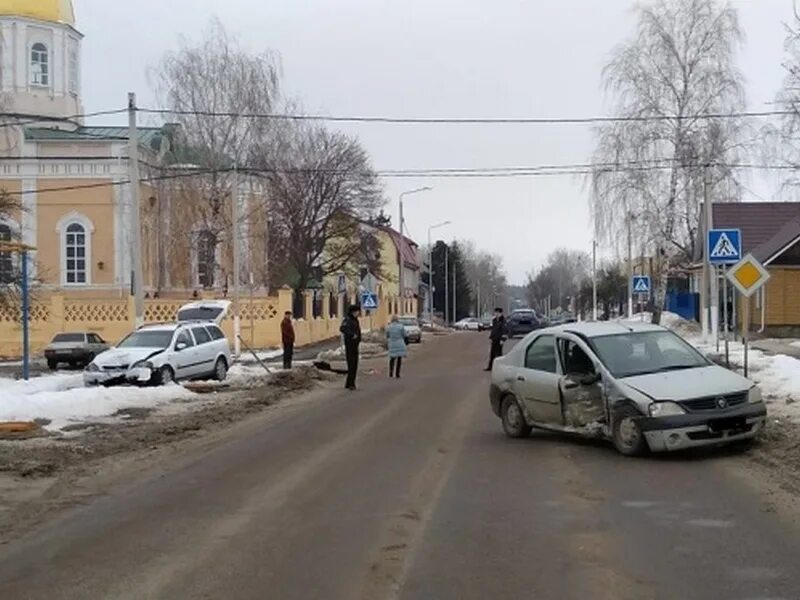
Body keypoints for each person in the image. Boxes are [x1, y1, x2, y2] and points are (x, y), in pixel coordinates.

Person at [340, 305, 362, 390]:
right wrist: (352, 335)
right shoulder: (348, 320)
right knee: (351, 364)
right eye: (357, 311)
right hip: (350, 344)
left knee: (354, 364)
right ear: (353, 312)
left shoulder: (355, 320)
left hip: (355, 344)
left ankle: (349, 383)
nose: (358, 313)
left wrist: (359, 338)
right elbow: (342, 328)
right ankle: (351, 384)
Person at [485, 307, 506, 371]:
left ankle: (500, 368)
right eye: (495, 313)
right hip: (494, 339)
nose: (496, 314)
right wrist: (491, 337)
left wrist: (502, 339)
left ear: (501, 313)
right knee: (492, 354)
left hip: (499, 340)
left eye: (498, 313)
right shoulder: (494, 320)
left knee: (499, 354)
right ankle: (490, 367)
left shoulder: (503, 321)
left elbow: (504, 331)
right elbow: (493, 330)